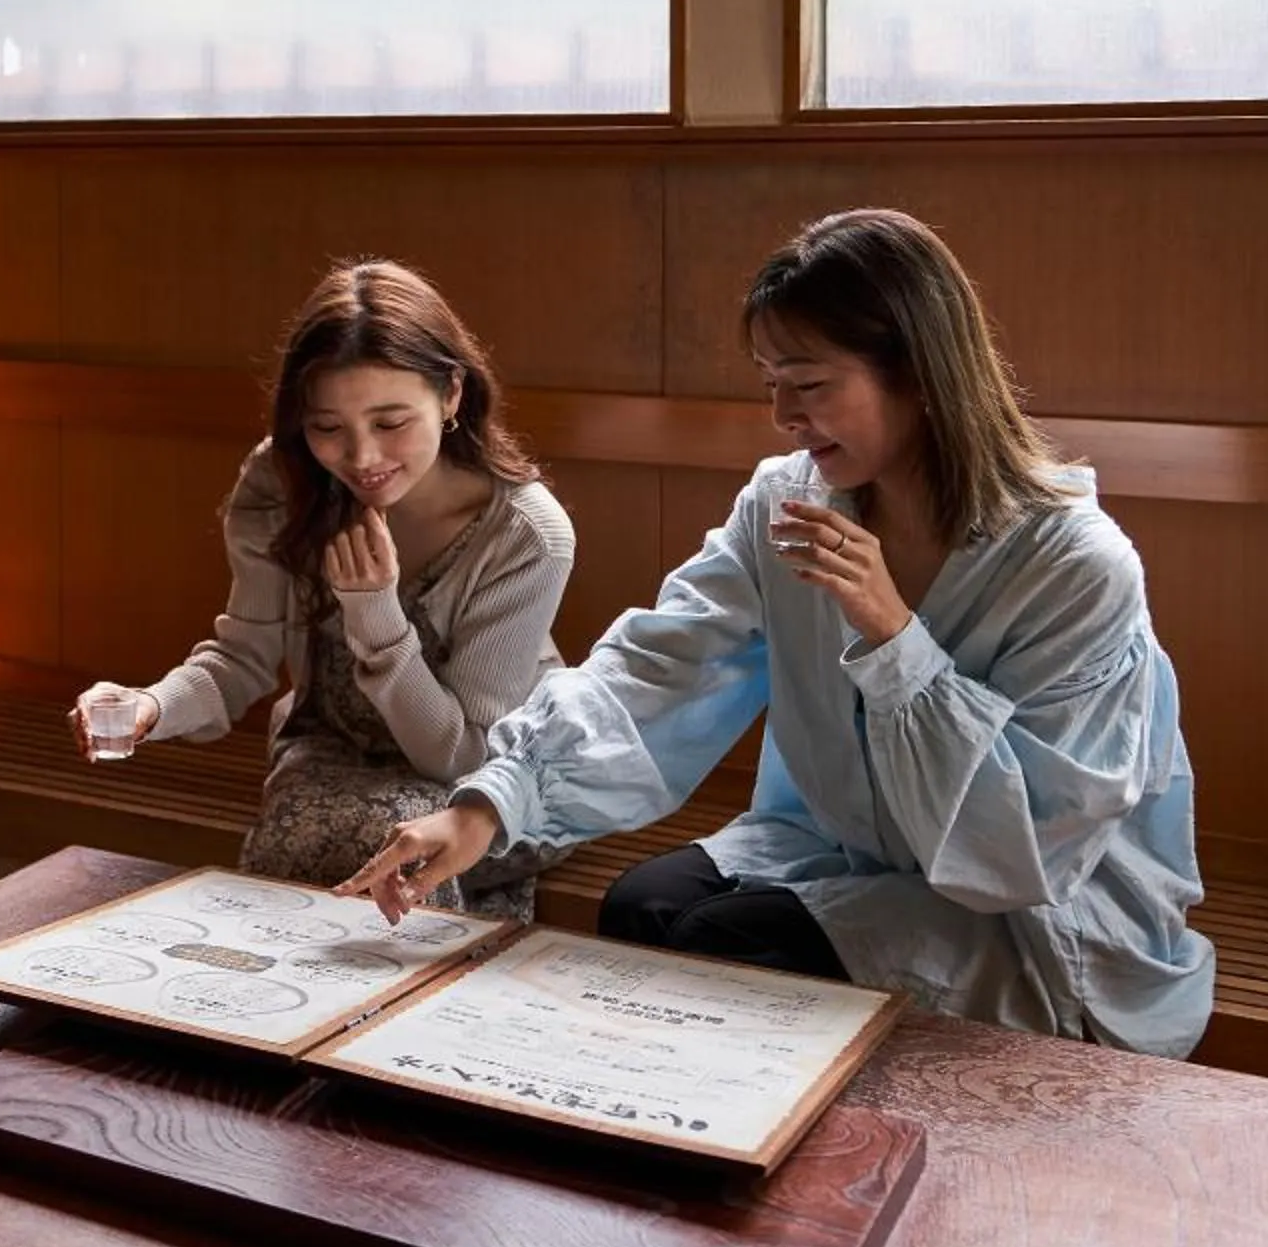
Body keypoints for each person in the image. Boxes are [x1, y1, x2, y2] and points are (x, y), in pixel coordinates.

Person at [338, 210, 1214, 1057]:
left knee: (730, 943)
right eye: (771, 385)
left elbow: (1030, 850)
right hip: (846, 846)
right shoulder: (788, 504)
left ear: (916, 371)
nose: (785, 416)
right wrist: (486, 805)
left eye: (811, 383)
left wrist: (893, 633)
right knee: (640, 906)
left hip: (1032, 911)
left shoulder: (1074, 564)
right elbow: (660, 667)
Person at [71, 259, 575, 919]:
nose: (362, 458)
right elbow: (241, 659)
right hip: (330, 755)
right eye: (328, 428)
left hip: (488, 786)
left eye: (391, 422)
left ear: (451, 395)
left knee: (384, 839)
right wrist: (149, 707)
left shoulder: (527, 534)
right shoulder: (283, 481)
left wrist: (376, 615)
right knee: (312, 826)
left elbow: (461, 752)